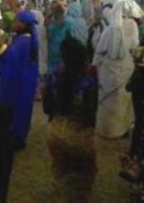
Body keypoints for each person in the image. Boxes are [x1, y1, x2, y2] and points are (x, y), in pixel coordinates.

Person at [43, 37, 98, 202]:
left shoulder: (54, 75)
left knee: (59, 173)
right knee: (83, 178)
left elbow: (46, 108)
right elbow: (90, 113)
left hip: (56, 131)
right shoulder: (88, 79)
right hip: (80, 133)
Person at [93, 0, 143, 138]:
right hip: (125, 70)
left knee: (108, 102)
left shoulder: (111, 29)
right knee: (122, 102)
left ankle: (106, 130)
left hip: (108, 71)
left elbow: (100, 49)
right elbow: (134, 47)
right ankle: (120, 130)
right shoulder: (132, 27)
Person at [0, 10, 39, 149]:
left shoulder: (23, 41)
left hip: (20, 82)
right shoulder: (28, 38)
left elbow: (6, 56)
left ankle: (16, 139)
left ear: (23, 24)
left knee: (18, 109)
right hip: (27, 80)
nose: (14, 23)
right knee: (24, 109)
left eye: (17, 21)